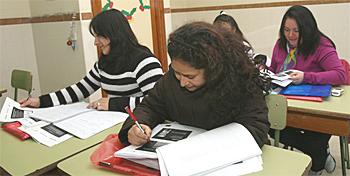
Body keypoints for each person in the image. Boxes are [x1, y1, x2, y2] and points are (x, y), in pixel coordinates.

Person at [118, 21, 271, 149]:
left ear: (213, 68)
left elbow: (256, 128)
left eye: (190, 76)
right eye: (177, 73)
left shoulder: (241, 80)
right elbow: (150, 106)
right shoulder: (172, 79)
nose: (183, 82)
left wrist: (207, 147)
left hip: (229, 157)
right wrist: (136, 127)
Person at [19, 9, 163, 112]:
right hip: (112, 122)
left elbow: (158, 102)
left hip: (139, 125)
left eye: (100, 36)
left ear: (115, 36)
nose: (95, 42)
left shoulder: (145, 62)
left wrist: (114, 104)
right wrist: (41, 101)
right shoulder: (104, 63)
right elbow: (80, 89)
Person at [268, 5, 347, 176]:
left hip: (316, 104)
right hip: (288, 102)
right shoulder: (281, 44)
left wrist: (306, 77)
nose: (290, 35)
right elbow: (274, 70)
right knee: (269, 123)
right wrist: (266, 74)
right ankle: (318, 153)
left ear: (307, 29)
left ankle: (317, 158)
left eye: (296, 31)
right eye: (286, 30)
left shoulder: (321, 45)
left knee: (318, 130)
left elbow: (340, 75)